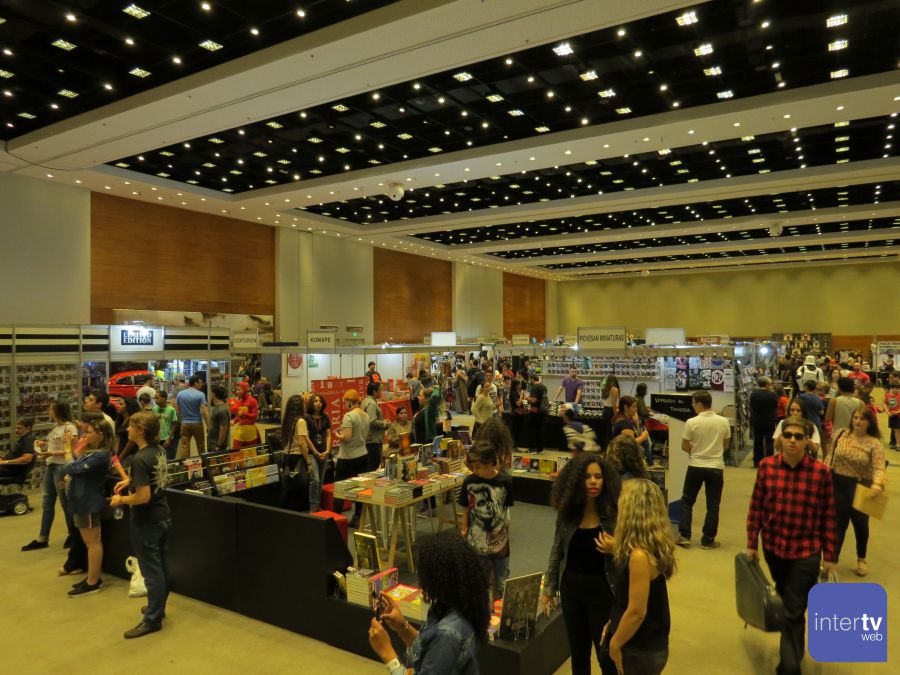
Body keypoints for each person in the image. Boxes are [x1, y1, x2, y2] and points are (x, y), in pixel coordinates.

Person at [746, 415, 837, 675]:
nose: (793, 441)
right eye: (788, 435)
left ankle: (789, 666)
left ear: (808, 440)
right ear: (781, 439)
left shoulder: (820, 473)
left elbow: (829, 515)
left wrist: (830, 555)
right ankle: (795, 649)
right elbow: (756, 507)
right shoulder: (766, 467)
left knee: (793, 609)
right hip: (774, 548)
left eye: (799, 436)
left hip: (806, 551)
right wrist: (752, 543)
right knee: (789, 603)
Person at [541, 454, 621, 675]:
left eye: (598, 476)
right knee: (578, 653)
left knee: (605, 655)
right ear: (577, 481)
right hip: (571, 590)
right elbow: (557, 549)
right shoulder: (567, 512)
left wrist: (617, 547)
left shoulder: (614, 513)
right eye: (587, 477)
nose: (593, 481)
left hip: (603, 591)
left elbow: (635, 551)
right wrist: (549, 587)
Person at [367, 530, 488, 675]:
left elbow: (439, 649)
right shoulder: (457, 606)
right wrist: (403, 628)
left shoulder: (448, 635)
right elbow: (430, 651)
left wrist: (386, 651)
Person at [600, 479, 675, 675]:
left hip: (640, 648)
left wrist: (615, 643)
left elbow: (636, 612)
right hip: (646, 642)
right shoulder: (650, 546)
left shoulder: (639, 557)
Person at [110, 411, 172, 639]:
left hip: (146, 521)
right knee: (161, 567)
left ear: (141, 430)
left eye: (131, 426)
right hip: (162, 515)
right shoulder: (158, 451)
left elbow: (142, 497)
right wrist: (130, 480)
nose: (127, 429)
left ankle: (152, 619)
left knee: (151, 572)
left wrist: (120, 500)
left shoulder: (139, 458)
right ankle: (157, 608)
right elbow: (153, 478)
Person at [825, 406, 886, 577]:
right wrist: (823, 473)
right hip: (838, 485)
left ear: (869, 422)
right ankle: (832, 561)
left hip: (862, 488)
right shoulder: (840, 434)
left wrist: (877, 484)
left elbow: (879, 468)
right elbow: (830, 456)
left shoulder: (874, 443)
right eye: (855, 417)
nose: (858, 421)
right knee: (838, 525)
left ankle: (861, 559)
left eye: (862, 419)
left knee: (861, 526)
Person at [64, 414, 113, 597]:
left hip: (88, 503)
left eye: (89, 432)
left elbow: (71, 468)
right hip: (81, 502)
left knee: (93, 542)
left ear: (100, 434)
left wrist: (66, 448)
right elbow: (77, 464)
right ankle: (93, 577)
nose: (86, 435)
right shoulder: (92, 452)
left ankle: (93, 582)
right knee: (88, 542)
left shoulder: (101, 455)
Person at [458, 441, 514, 600]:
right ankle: (481, 610)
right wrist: (464, 528)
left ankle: (498, 606)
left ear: (491, 463)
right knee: (478, 582)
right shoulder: (469, 482)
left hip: (500, 542)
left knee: (501, 579)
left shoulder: (505, 482)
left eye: (478, 466)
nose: (474, 470)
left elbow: (505, 510)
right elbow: (466, 509)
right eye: (472, 466)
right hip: (476, 541)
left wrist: (506, 532)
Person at [22, 401, 79, 552]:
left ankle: (73, 535)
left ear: (58, 411)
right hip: (51, 465)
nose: (48, 411)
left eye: (51, 409)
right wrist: (44, 445)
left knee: (65, 503)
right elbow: (55, 444)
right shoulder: (55, 426)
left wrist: (51, 452)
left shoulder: (70, 427)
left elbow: (73, 450)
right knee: (47, 503)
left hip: (62, 467)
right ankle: (42, 537)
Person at [676, 391, 730, 550]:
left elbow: (684, 446)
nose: (692, 406)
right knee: (713, 505)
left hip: (696, 466)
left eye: (693, 403)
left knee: (687, 501)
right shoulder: (724, 421)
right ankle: (708, 540)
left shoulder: (691, 422)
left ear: (700, 404)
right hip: (716, 467)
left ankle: (684, 536)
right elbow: (726, 445)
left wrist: (696, 450)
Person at [335, 389, 370, 527]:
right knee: (360, 488)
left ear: (350, 401)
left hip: (347, 457)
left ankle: (336, 519)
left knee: (340, 488)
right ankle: (357, 518)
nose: (344, 404)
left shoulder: (349, 416)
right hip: (362, 454)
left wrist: (338, 435)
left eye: (345, 402)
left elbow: (347, 437)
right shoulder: (366, 416)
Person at [281, 394, 320, 512]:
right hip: (297, 457)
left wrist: (315, 452)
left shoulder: (287, 420)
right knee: (301, 486)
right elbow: (302, 443)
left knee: (290, 486)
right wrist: (308, 462)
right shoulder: (301, 421)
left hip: (286, 456)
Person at [174, 375, 209, 458]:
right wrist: (208, 425)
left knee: (185, 447)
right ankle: (203, 464)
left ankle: (185, 464)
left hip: (185, 423)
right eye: (200, 382)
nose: (201, 384)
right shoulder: (200, 394)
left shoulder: (180, 394)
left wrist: (183, 416)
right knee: (201, 446)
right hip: (197, 423)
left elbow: (177, 409)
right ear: (195, 383)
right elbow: (204, 412)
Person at [305, 393, 332, 493]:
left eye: (320, 401)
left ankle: (319, 501)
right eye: (316, 401)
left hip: (324, 452)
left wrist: (327, 450)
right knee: (315, 480)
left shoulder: (325, 417)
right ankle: (313, 503)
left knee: (321, 480)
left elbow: (329, 435)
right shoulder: (307, 417)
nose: (318, 403)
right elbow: (306, 437)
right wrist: (316, 452)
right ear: (311, 403)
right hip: (312, 453)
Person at [749, 376, 779, 466]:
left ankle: (757, 461)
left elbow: (752, 406)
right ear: (767, 384)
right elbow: (775, 406)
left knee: (757, 441)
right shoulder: (773, 395)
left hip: (757, 421)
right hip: (770, 421)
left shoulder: (754, 394)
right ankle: (769, 462)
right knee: (769, 442)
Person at [825, 376, 859, 448]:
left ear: (840, 388)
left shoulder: (834, 401)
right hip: (855, 436)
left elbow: (828, 418)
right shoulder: (860, 403)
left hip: (838, 435)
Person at [361, 380, 388, 471]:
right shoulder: (371, 403)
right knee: (373, 464)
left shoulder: (366, 401)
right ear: (374, 391)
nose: (382, 392)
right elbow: (372, 421)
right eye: (380, 390)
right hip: (373, 440)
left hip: (369, 439)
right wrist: (384, 423)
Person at [230, 380, 260, 449]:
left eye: (239, 390)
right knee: (235, 450)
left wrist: (244, 414)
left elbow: (255, 415)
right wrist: (234, 421)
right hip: (240, 429)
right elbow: (239, 415)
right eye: (236, 390)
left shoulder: (252, 401)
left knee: (251, 451)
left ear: (245, 390)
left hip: (250, 429)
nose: (237, 392)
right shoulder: (239, 401)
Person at [797, 380, 825, 446]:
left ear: (806, 387)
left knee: (804, 442)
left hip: (805, 422)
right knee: (814, 442)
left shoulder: (801, 396)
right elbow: (821, 412)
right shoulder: (817, 397)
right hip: (816, 422)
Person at [526, 373, 548, 453]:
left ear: (532, 379)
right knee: (539, 430)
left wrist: (526, 397)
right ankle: (540, 448)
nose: (529, 381)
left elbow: (534, 400)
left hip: (535, 411)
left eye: (529, 379)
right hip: (542, 411)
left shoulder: (535, 387)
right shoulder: (544, 386)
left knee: (532, 430)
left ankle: (532, 448)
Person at [152, 390, 178, 457]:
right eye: (155, 398)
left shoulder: (171, 409)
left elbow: (174, 423)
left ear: (164, 398)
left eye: (157, 398)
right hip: (157, 438)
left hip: (166, 437)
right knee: (158, 457)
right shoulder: (154, 409)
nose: (155, 400)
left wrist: (169, 438)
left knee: (168, 457)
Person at [599, 376, 620, 451]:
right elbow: (614, 404)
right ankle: (610, 450)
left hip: (605, 410)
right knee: (611, 432)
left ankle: (606, 448)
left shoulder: (605, 389)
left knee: (606, 431)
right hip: (611, 411)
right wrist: (616, 415)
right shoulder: (614, 389)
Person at [207, 385, 230, 452]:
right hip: (212, 442)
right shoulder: (217, 407)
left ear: (214, 394)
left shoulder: (222, 410)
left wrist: (218, 445)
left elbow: (223, 429)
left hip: (216, 444)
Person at [885, 382, 900, 450]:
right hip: (891, 415)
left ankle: (898, 445)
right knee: (894, 429)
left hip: (898, 415)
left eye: (898, 388)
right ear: (892, 388)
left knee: (897, 430)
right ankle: (894, 443)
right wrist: (887, 412)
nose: (897, 390)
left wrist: (898, 412)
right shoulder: (887, 395)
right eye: (895, 388)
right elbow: (884, 403)